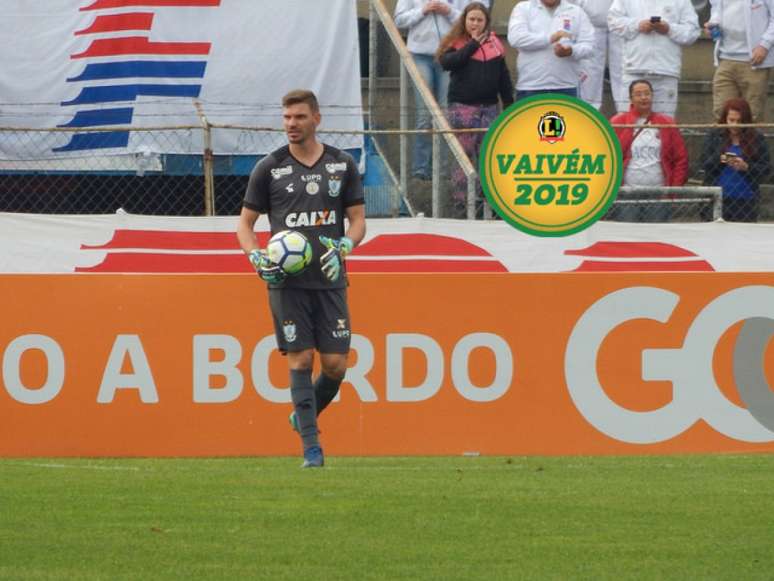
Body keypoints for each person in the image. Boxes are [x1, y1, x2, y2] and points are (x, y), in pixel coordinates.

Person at [236, 89, 366, 468]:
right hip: (286, 281)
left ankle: (303, 416)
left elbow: (357, 220)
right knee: (300, 357)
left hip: (329, 277)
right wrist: (256, 255)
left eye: (299, 117)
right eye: (287, 118)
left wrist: (346, 244)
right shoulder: (269, 167)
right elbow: (245, 224)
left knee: (335, 365)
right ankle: (312, 448)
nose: (291, 124)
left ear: (317, 119)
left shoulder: (342, 165)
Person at [438, 2, 514, 216]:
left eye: (480, 20)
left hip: (489, 108)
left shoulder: (496, 44)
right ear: (465, 20)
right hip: (462, 108)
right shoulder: (457, 42)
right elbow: (448, 62)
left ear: (486, 23)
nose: (475, 23)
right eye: (471, 19)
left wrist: (508, 103)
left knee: (488, 157)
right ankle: (462, 204)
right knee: (464, 157)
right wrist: (472, 44)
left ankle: (488, 203)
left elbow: (503, 76)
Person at [394, 0, 463, 181]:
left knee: (445, 115)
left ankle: (442, 171)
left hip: (449, 55)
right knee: (424, 114)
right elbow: (399, 20)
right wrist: (423, 10)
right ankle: (420, 169)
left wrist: (448, 10)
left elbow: (468, 19)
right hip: (420, 56)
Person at [610, 79, 688, 222]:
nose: (644, 97)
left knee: (656, 236)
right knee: (627, 236)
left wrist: (674, 190)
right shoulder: (618, 123)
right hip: (627, 191)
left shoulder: (666, 123)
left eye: (647, 93)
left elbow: (680, 159)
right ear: (631, 99)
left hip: (659, 191)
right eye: (638, 94)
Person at [608, 0, 699, 117]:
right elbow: (613, 22)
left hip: (666, 72)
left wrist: (669, 29)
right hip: (635, 71)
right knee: (628, 124)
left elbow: (692, 32)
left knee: (664, 125)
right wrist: (637, 25)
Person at [507, 0, 595, 100]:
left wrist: (571, 51)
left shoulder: (576, 12)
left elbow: (590, 47)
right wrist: (551, 38)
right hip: (531, 86)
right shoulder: (523, 8)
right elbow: (516, 39)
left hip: (566, 87)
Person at [701, 97, 771, 222]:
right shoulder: (714, 136)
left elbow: (767, 169)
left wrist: (746, 167)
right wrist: (721, 159)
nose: (735, 125)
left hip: (746, 200)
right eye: (731, 120)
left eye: (740, 121)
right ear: (725, 119)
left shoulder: (757, 138)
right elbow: (704, 165)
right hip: (717, 198)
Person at [705, 0, 774, 122]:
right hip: (725, 58)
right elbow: (716, 13)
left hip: (754, 62)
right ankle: (724, 141)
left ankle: (751, 141)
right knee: (721, 113)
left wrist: (764, 45)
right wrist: (712, 26)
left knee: (752, 114)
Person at [566, 0, 624, 110]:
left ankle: (626, 115)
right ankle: (589, 113)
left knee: (622, 72)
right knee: (590, 73)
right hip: (590, 23)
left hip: (621, 24)